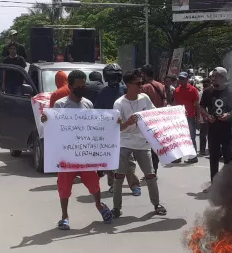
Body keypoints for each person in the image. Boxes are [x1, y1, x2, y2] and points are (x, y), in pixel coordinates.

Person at [40, 70, 112, 230]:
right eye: (78, 86)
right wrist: (46, 120)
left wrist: (113, 122)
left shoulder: (88, 104)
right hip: (67, 154)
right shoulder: (60, 104)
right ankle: (64, 216)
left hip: (85, 152)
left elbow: (94, 126)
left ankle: (99, 205)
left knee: (94, 183)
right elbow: (52, 127)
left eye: (83, 85)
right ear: (70, 86)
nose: (82, 88)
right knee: (64, 186)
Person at [111, 69, 166, 218]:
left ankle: (157, 204)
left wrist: (173, 113)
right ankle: (116, 207)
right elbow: (117, 128)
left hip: (142, 143)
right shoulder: (119, 103)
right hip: (125, 142)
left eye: (142, 82)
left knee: (150, 174)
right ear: (128, 84)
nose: (141, 85)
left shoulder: (144, 98)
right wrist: (128, 122)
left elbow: (154, 115)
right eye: (138, 83)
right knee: (119, 176)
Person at [95, 64, 141, 191]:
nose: (113, 79)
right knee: (110, 160)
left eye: (115, 76)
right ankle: (113, 184)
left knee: (129, 160)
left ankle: (134, 184)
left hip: (126, 130)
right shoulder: (102, 93)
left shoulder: (125, 90)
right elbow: (98, 112)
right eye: (110, 77)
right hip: (109, 131)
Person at [199, 67, 232, 181]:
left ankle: (229, 183)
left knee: (228, 157)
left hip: (228, 130)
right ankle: (214, 184)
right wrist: (207, 116)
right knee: (213, 157)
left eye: (216, 76)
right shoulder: (207, 91)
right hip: (213, 130)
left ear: (223, 78)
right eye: (212, 76)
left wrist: (229, 115)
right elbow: (201, 106)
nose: (213, 78)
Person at [140, 65, 166, 172]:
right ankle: (155, 168)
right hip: (159, 117)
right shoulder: (161, 85)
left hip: (148, 119)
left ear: (145, 75)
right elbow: (165, 100)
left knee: (148, 146)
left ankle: (151, 169)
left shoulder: (145, 87)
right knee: (156, 144)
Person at [173, 71, 200, 164]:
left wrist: (199, 118)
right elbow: (175, 104)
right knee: (179, 137)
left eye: (183, 79)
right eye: (180, 78)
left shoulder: (193, 90)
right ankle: (178, 157)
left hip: (190, 117)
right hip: (179, 118)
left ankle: (193, 157)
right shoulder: (176, 90)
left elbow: (197, 105)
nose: (181, 80)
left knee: (191, 137)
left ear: (187, 79)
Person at [198, 77, 212, 156]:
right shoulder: (201, 93)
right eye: (204, 84)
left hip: (210, 117)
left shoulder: (212, 92)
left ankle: (210, 149)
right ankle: (202, 150)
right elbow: (200, 106)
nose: (205, 85)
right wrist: (203, 117)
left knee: (210, 134)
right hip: (204, 116)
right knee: (203, 134)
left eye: (207, 84)